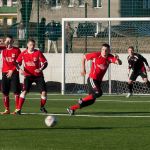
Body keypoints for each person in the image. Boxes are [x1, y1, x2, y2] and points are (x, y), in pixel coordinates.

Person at [67, 43, 122, 115]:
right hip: (92, 79)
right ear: (101, 50)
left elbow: (119, 63)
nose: (104, 51)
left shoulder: (109, 57)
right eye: (103, 49)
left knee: (91, 101)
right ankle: (82, 100)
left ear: (109, 51)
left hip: (98, 81)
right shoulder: (96, 55)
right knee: (98, 93)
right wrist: (83, 69)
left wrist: (118, 59)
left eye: (106, 50)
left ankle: (72, 108)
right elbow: (84, 57)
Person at [14, 39, 48, 115]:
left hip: (38, 76)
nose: (32, 46)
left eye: (33, 45)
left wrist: (40, 69)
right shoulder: (23, 53)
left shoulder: (38, 52)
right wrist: (20, 70)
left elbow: (45, 63)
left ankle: (42, 107)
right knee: (24, 91)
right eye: (30, 45)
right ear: (27, 45)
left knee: (44, 92)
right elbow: (16, 63)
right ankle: (18, 109)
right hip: (28, 76)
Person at [0, 35, 21, 115]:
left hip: (14, 73)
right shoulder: (3, 50)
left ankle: (17, 109)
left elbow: (19, 62)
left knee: (16, 91)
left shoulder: (17, 50)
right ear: (5, 41)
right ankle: (7, 109)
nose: (9, 42)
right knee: (5, 92)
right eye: (7, 41)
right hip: (4, 73)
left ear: (13, 41)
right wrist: (2, 43)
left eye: (10, 41)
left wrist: (12, 70)